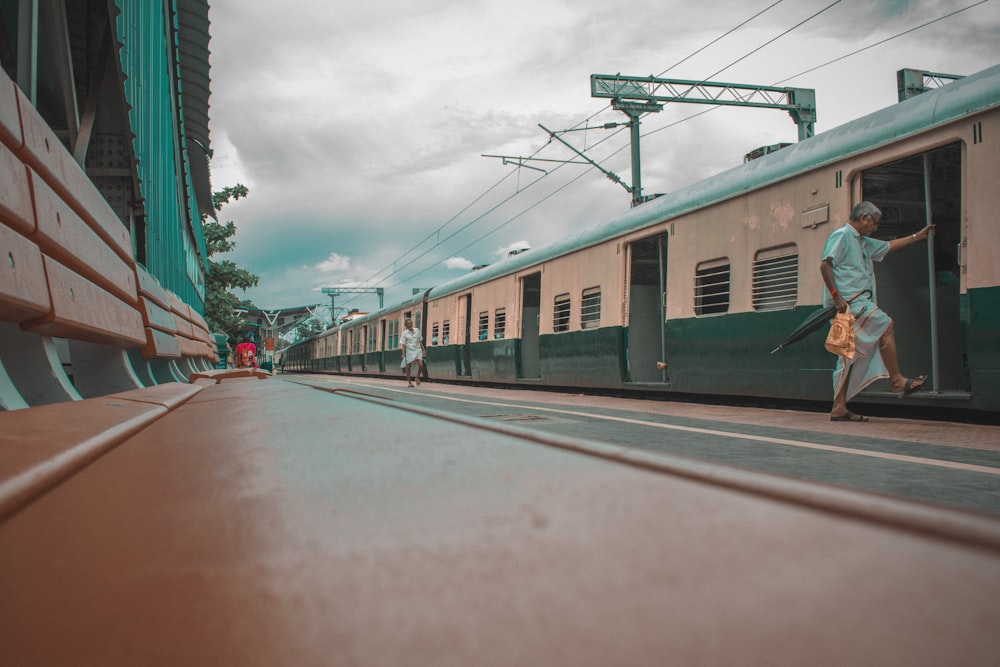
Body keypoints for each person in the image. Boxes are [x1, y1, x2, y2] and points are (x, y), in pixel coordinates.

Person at [819, 201, 933, 422]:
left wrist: (917, 237)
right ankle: (897, 380)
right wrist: (836, 296)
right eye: (875, 223)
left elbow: (887, 247)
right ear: (865, 219)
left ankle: (839, 407)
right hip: (849, 304)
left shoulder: (862, 242)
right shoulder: (842, 235)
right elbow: (825, 265)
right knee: (886, 324)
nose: (876, 228)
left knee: (847, 356)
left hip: (852, 305)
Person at [399, 318, 426, 387]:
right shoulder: (404, 333)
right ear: (405, 325)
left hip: (417, 350)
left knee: (421, 365)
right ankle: (409, 382)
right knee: (408, 366)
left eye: (411, 323)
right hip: (409, 351)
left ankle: (417, 377)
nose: (410, 325)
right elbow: (403, 345)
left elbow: (420, 341)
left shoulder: (417, 330)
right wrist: (403, 354)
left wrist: (423, 350)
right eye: (408, 323)